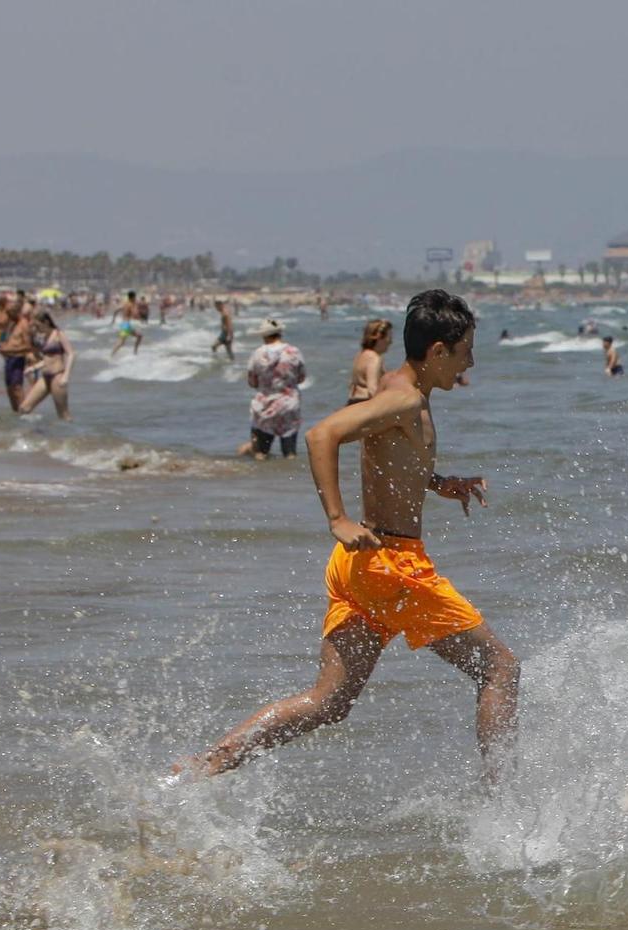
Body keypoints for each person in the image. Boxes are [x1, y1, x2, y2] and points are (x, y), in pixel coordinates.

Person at [183, 290, 519, 785]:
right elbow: (323, 435)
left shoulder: (399, 391)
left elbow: (390, 457)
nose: (472, 360)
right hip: (392, 564)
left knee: (329, 701)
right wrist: (338, 518)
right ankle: (505, 805)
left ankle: (201, 767)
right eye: (467, 348)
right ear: (438, 351)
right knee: (500, 670)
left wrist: (437, 483)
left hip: (360, 567)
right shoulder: (403, 397)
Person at [243, 318, 305, 458]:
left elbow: (252, 382)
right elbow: (301, 378)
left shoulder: (257, 354)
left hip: (265, 405)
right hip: (289, 404)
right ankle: (291, 478)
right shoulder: (294, 352)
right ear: (280, 333)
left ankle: (260, 479)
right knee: (290, 453)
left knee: (260, 453)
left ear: (264, 335)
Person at [19, 310, 74, 420]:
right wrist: (33, 367)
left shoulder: (58, 334)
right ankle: (32, 433)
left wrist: (66, 376)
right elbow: (47, 359)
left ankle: (70, 437)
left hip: (57, 376)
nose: (37, 329)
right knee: (24, 408)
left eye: (38, 325)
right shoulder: (42, 337)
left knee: (63, 415)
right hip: (45, 377)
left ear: (46, 322)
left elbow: (71, 353)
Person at [0, 292, 36, 412]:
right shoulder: (11, 324)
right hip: (8, 358)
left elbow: (29, 346)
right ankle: (15, 411)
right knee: (9, 388)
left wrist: (10, 349)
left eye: (10, 314)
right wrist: (1, 342)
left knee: (17, 387)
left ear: (17, 313)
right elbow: (3, 336)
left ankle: (24, 411)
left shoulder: (23, 324)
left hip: (18, 358)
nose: (8, 316)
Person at [348, 319, 391, 404]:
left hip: (352, 402)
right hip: (364, 402)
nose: (390, 342)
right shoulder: (374, 358)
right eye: (389, 337)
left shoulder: (360, 355)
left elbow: (350, 384)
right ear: (379, 337)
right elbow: (372, 389)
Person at [112, 292, 143, 356]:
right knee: (121, 342)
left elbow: (116, 310)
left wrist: (113, 320)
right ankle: (135, 352)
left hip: (124, 324)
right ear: (133, 297)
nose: (136, 298)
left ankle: (112, 355)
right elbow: (135, 314)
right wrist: (139, 316)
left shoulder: (124, 303)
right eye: (135, 297)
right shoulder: (131, 304)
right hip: (127, 325)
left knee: (122, 341)